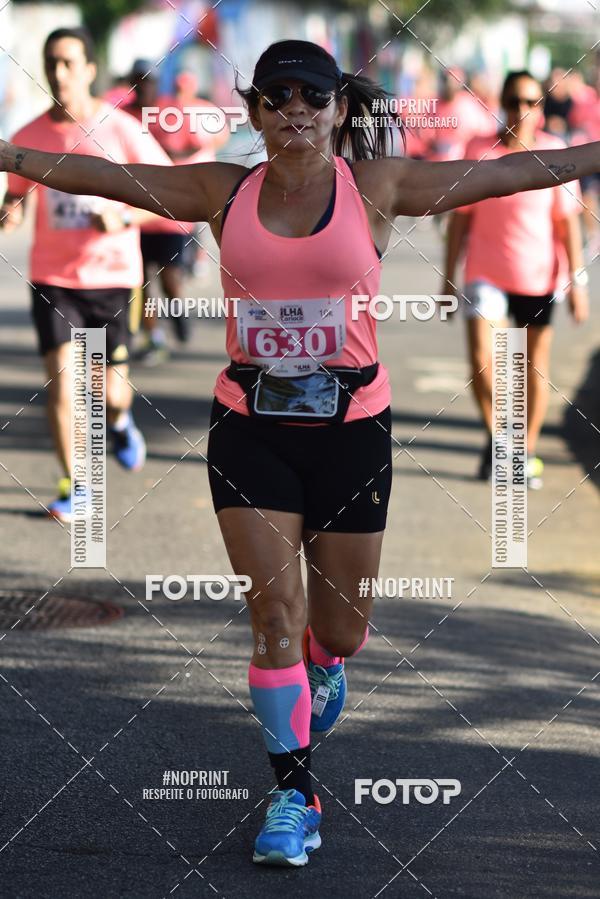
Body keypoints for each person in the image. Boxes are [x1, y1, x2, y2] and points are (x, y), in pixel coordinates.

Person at [2, 38, 599, 866]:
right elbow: (96, 175)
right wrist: (9, 155)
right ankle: (294, 794)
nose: (295, 114)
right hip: (250, 423)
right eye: (277, 99)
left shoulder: (377, 188)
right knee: (272, 616)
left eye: (311, 99)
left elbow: (511, 172)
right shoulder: (222, 189)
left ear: (338, 110)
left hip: (353, 430)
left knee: (341, 630)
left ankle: (327, 662)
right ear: (255, 111)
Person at [0, 27, 178, 521]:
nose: (59, 73)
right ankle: (74, 483)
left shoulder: (122, 129)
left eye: (69, 63)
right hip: (55, 279)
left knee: (109, 394)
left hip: (114, 279)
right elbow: (15, 192)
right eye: (51, 62)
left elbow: (173, 199)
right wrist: (10, 210)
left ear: (90, 69)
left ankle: (120, 423)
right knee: (62, 382)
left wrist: (123, 217)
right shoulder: (30, 136)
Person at [443, 70, 588, 488]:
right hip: (484, 273)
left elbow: (568, 225)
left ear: (540, 108)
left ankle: (523, 452)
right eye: (512, 101)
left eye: (529, 102)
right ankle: (500, 438)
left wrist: (578, 284)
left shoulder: (556, 152)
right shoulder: (478, 150)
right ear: (501, 104)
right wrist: (447, 280)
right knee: (481, 362)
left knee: (532, 370)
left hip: (539, 276)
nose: (520, 110)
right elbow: (458, 222)